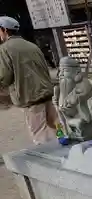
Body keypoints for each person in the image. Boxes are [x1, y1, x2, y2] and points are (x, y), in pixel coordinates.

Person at [0, 16, 57, 144]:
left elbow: (5, 77)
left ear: (4, 30)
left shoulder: (5, 49)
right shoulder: (32, 46)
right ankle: (65, 148)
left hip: (30, 97)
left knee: (40, 132)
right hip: (46, 93)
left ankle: (51, 158)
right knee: (55, 126)